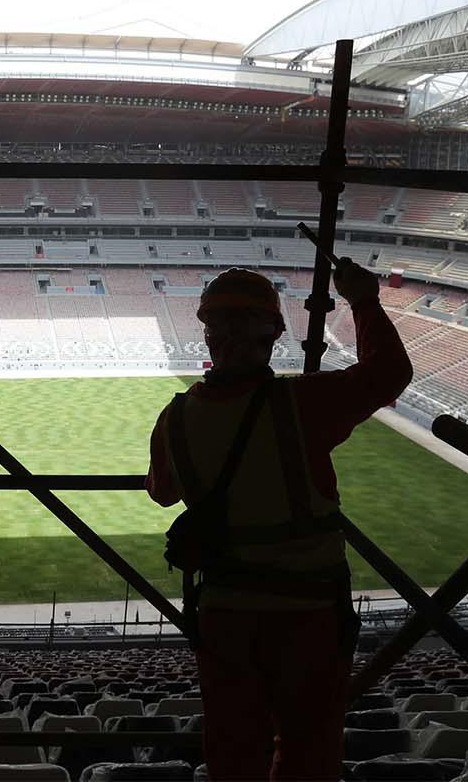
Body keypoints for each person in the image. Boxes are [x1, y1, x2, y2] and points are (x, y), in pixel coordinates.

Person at [146, 261, 412, 781]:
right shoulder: (305, 401)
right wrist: (363, 299)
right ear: (274, 332)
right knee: (309, 750)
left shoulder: (175, 417)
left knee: (232, 750)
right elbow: (388, 375)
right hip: (308, 610)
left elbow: (162, 493)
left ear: (207, 334)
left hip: (225, 612)